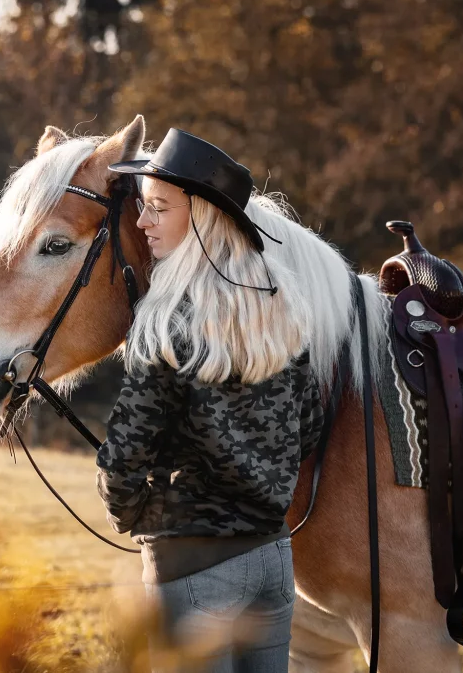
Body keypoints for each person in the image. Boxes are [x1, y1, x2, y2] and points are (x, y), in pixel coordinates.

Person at [96, 128, 325, 672]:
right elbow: (310, 424)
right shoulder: (283, 310)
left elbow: (123, 458)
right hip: (273, 561)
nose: (142, 222)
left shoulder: (165, 318)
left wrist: (150, 515)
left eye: (157, 208)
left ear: (200, 216)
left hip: (194, 567)